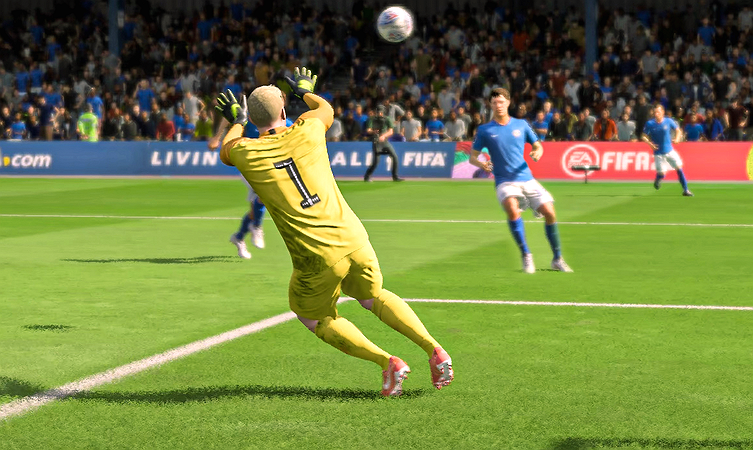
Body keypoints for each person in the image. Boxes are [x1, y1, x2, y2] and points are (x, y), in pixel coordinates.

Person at [216, 67, 453, 396]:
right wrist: (305, 92)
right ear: (284, 111)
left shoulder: (246, 152)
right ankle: (434, 350)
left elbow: (226, 148)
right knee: (373, 296)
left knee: (312, 316)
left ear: (255, 121)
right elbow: (324, 108)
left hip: (316, 257)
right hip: (354, 239)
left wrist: (237, 120)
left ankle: (387, 362)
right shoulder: (310, 127)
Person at [468, 88, 573, 274]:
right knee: (512, 208)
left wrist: (537, 152)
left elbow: (538, 145)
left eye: (501, 102)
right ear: (490, 105)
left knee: (550, 212)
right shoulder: (484, 130)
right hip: (504, 181)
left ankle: (557, 258)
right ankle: (526, 254)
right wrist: (482, 164)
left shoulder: (522, 124)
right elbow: (472, 157)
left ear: (508, 103)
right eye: (494, 103)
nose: (498, 106)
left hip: (527, 178)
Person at [208, 103, 295, 258]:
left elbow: (296, 133)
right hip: (250, 165)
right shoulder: (252, 115)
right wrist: (217, 137)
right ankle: (256, 227)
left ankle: (239, 237)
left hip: (268, 166)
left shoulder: (284, 121)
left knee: (255, 209)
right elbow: (230, 118)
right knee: (264, 195)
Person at [641, 104, 693, 196]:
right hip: (658, 153)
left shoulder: (668, 121)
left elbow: (678, 130)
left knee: (679, 168)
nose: (656, 114)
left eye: (658, 112)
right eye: (655, 112)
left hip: (670, 151)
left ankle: (685, 190)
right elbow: (643, 136)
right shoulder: (650, 123)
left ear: (662, 112)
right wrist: (650, 144)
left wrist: (677, 138)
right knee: (662, 173)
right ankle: (658, 179)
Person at [363, 105, 403, 182]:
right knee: (376, 162)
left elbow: (391, 131)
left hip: (385, 141)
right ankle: (367, 176)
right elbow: (368, 130)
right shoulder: (372, 119)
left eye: (381, 112)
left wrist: (384, 136)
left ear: (383, 112)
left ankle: (395, 176)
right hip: (376, 141)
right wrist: (373, 131)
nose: (379, 113)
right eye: (378, 112)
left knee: (395, 156)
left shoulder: (387, 119)